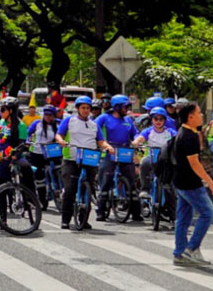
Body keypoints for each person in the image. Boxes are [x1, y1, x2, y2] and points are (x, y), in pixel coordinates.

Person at [172, 101, 213, 267]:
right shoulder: (188, 136)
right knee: (208, 213)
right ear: (190, 116)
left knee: (183, 219)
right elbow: (194, 164)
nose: (201, 115)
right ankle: (191, 249)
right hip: (190, 183)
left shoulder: (186, 132)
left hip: (181, 181)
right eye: (199, 113)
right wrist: (211, 183)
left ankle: (180, 253)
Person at [95, 94, 140, 221]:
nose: (127, 109)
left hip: (125, 150)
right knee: (106, 178)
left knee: (131, 180)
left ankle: (136, 212)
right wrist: (102, 143)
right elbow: (93, 128)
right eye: (125, 107)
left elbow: (135, 133)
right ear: (116, 107)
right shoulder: (105, 118)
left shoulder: (128, 120)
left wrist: (137, 140)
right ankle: (101, 210)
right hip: (110, 150)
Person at [57, 95, 99, 230]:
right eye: (83, 108)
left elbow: (101, 140)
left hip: (89, 158)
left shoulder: (94, 125)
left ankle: (83, 219)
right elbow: (59, 134)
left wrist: (107, 147)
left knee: (88, 190)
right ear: (77, 109)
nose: (86, 110)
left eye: (88, 108)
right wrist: (61, 141)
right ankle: (65, 219)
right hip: (71, 159)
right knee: (70, 189)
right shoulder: (69, 121)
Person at [132, 107, 176, 197]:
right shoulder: (148, 131)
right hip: (152, 158)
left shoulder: (170, 132)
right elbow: (140, 139)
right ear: (152, 120)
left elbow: (178, 140)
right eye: (156, 119)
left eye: (161, 119)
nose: (158, 121)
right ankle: (145, 189)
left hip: (166, 160)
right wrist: (136, 143)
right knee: (144, 163)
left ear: (164, 120)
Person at [26, 105, 61, 205]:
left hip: (53, 152)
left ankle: (58, 190)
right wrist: (28, 142)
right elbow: (28, 134)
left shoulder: (58, 124)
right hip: (37, 152)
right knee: (39, 176)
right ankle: (42, 200)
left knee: (58, 170)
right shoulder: (37, 123)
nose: (48, 117)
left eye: (50, 115)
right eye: (46, 115)